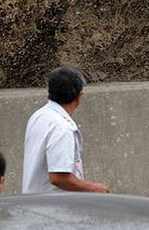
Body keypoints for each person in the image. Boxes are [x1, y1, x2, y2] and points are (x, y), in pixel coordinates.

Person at [22, 66, 110, 194]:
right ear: (80, 96)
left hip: (34, 205)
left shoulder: (39, 116)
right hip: (54, 210)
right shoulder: (62, 127)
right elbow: (58, 178)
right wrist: (92, 188)